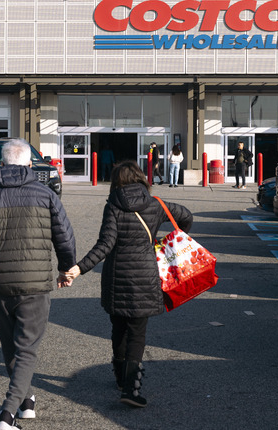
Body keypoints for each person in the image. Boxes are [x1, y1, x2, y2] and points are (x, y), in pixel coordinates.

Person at [0, 139, 76, 430]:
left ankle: (26, 401)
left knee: (10, 347)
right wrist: (66, 267)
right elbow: (64, 236)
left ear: (1, 165)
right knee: (26, 349)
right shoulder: (45, 194)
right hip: (35, 283)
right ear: (31, 164)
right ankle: (7, 415)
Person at [64, 161, 192, 408]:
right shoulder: (156, 205)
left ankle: (120, 375)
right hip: (145, 276)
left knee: (119, 327)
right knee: (137, 333)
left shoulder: (113, 205)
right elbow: (186, 216)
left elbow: (105, 244)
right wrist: (171, 241)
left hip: (116, 277)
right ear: (141, 179)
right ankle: (131, 389)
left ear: (116, 182)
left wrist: (79, 268)